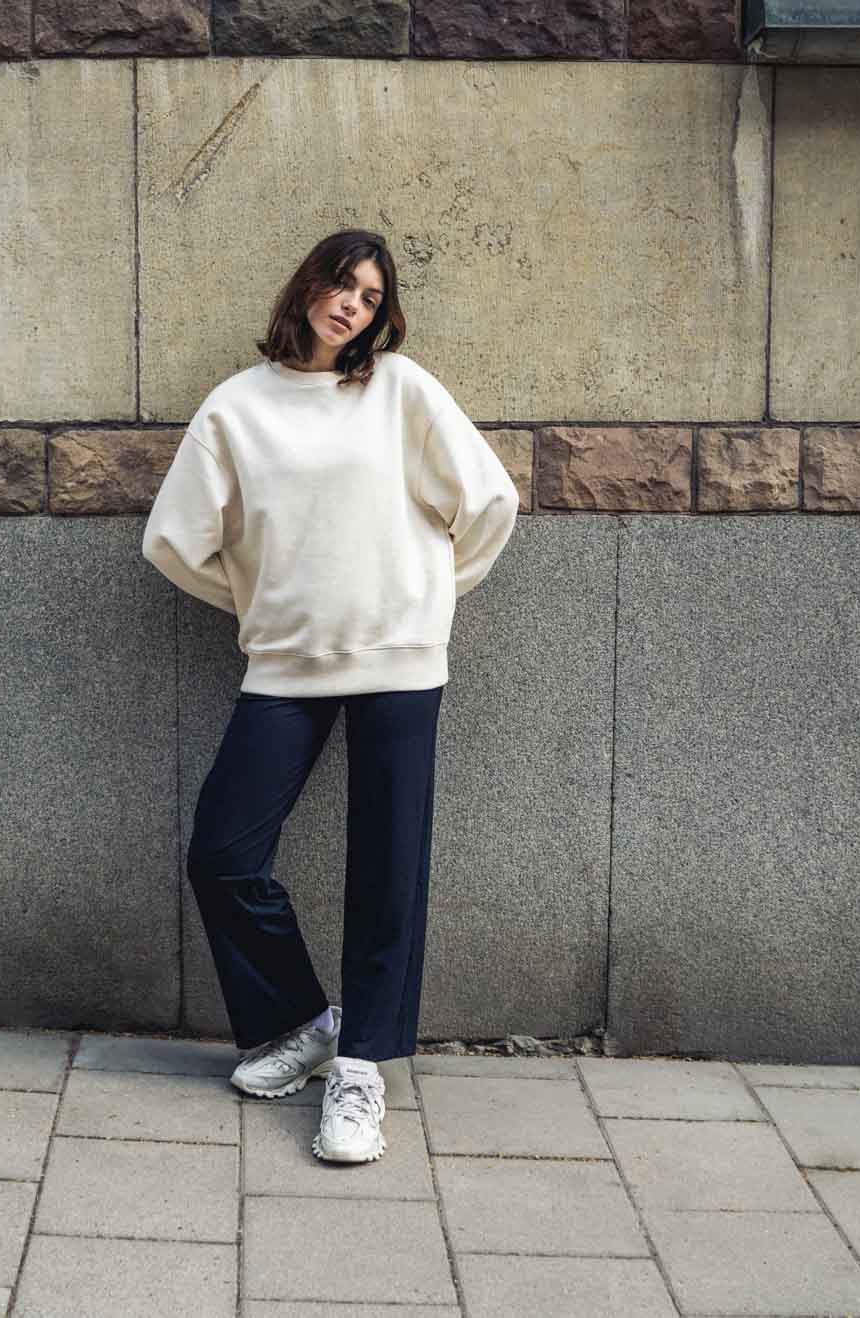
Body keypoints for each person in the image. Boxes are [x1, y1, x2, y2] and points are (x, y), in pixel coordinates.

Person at [141, 229, 520, 1165]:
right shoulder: (237, 407)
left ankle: (361, 1071)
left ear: (380, 314)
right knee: (223, 856)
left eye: (368, 294)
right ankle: (305, 1023)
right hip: (287, 662)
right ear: (307, 285)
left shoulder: (398, 387)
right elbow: (173, 541)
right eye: (338, 282)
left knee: (388, 869)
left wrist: (426, 601)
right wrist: (269, 604)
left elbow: (489, 502)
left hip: (401, 660)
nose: (349, 303)